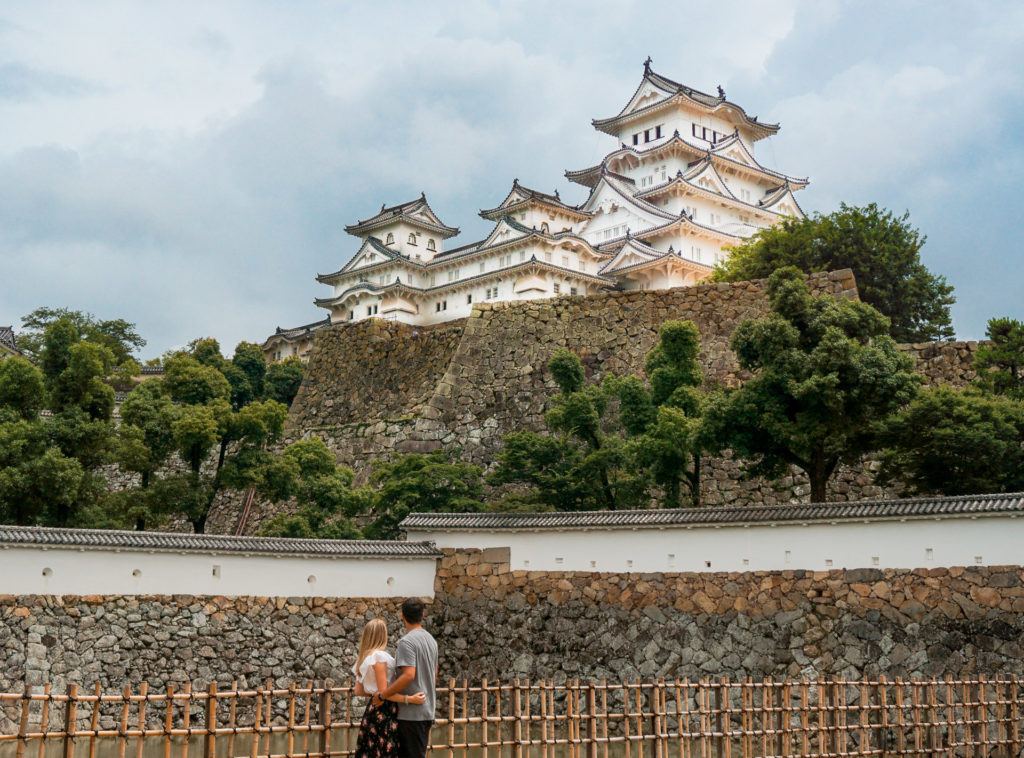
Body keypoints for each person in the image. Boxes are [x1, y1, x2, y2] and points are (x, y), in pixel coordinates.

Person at [373, 598, 438, 758]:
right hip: (427, 709)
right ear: (423, 615)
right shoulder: (431, 640)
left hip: (411, 714)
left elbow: (409, 675)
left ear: (402, 615)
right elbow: (434, 672)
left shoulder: (406, 642)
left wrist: (383, 695)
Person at [352, 618, 426, 758]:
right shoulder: (379, 657)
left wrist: (374, 691)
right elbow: (384, 692)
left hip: (372, 710)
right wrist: (410, 699)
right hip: (384, 711)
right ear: (383, 635)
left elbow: (359, 691)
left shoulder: (362, 658)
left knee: (370, 751)